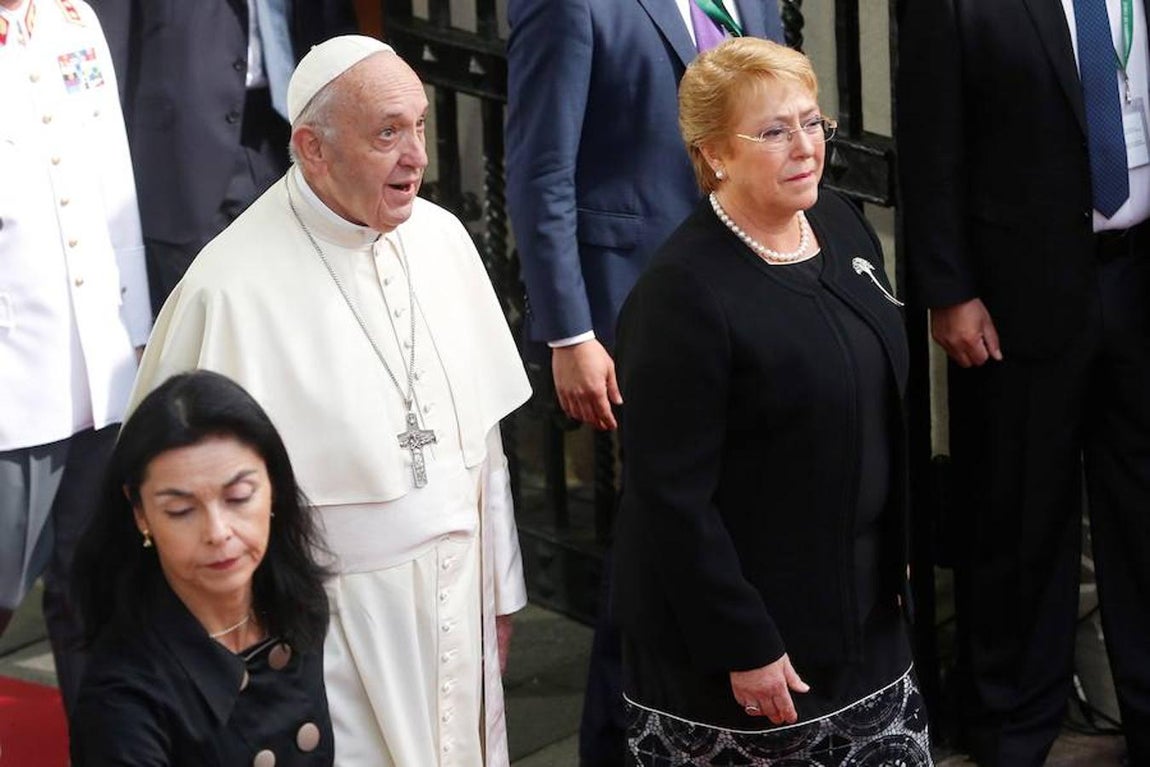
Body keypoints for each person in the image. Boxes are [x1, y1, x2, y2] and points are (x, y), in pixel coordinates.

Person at [130, 35, 532, 767]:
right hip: (329, 625)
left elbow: (487, 448)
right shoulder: (229, 287)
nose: (418, 155)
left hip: (456, 604)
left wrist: (502, 591)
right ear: (312, 148)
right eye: (387, 133)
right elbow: (178, 499)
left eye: (418, 124)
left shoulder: (444, 243)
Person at [611, 38, 931, 766]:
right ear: (715, 153)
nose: (805, 147)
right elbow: (670, 499)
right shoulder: (682, 295)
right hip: (756, 652)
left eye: (812, 122)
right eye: (774, 131)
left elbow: (881, 406)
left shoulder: (841, 225)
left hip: (867, 623)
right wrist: (742, 641)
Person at [505, 4, 783, 762]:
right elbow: (540, 165)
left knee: (717, 524)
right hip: (641, 305)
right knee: (660, 525)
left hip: (751, 289)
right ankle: (614, 735)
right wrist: (570, 332)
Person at [897, 1, 1150, 764]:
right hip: (1015, 293)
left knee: (1143, 512)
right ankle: (1012, 723)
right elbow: (929, 137)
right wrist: (948, 287)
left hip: (1141, 282)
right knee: (1017, 511)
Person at [0, 0, 150, 715]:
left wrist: (138, 328)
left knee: (96, 590)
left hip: (98, 365)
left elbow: (111, 181)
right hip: (12, 381)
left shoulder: (70, 19)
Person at [69, 370, 334, 766]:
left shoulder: (294, 602)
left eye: (239, 497)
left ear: (273, 484)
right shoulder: (122, 695)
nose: (217, 532)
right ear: (141, 513)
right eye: (181, 510)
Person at [88, 0, 358, 315]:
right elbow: (110, 43)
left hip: (288, 133)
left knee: (290, 313)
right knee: (203, 325)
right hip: (181, 152)